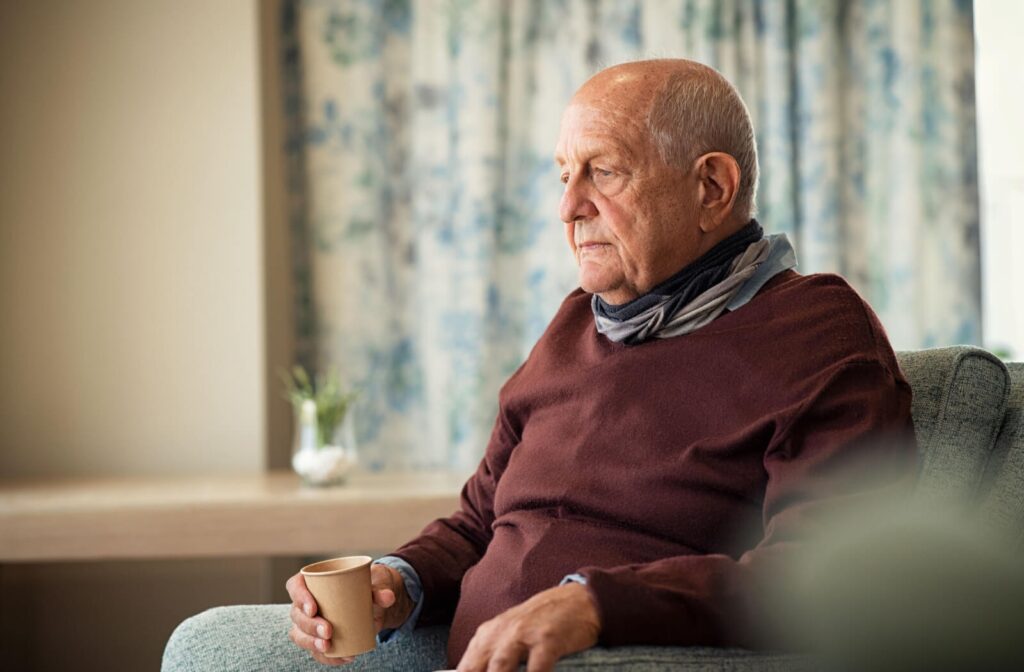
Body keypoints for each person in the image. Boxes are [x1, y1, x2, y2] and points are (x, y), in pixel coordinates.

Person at [163, 58, 915, 672]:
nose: (568, 208)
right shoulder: (572, 325)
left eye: (605, 172)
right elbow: (478, 521)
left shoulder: (818, 332)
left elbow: (829, 577)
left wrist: (594, 603)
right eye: (563, 174)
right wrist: (400, 581)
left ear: (711, 188)